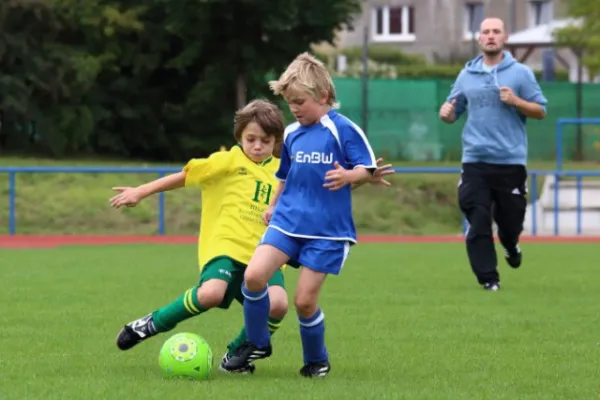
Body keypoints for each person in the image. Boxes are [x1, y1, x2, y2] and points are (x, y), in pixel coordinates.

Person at [109, 98, 395, 375]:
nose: (258, 146)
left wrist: (362, 178)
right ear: (240, 137)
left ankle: (238, 352)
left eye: (266, 141)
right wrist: (140, 191)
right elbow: (184, 176)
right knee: (211, 293)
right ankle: (150, 324)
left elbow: (320, 191)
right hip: (225, 246)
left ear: (277, 142)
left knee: (280, 304)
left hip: (266, 250)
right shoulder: (226, 161)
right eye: (251, 139)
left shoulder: (285, 169)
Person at [222, 53, 381, 378]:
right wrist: (272, 205)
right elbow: (284, 174)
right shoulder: (293, 133)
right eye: (289, 102)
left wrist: (352, 176)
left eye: (299, 101)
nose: (293, 108)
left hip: (327, 231)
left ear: (323, 96)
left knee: (304, 302)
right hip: (287, 221)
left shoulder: (342, 130)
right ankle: (257, 342)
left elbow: (367, 167)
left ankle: (316, 361)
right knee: (253, 277)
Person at [438, 17, 547, 291]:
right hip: (475, 160)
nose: (490, 36)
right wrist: (447, 114)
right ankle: (489, 280)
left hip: (510, 161)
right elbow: (453, 111)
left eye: (496, 31)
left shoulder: (521, 73)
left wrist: (517, 101)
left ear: (505, 38)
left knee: (510, 224)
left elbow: (540, 111)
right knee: (477, 219)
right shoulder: (466, 75)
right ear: (479, 39)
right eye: (485, 32)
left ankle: (511, 245)